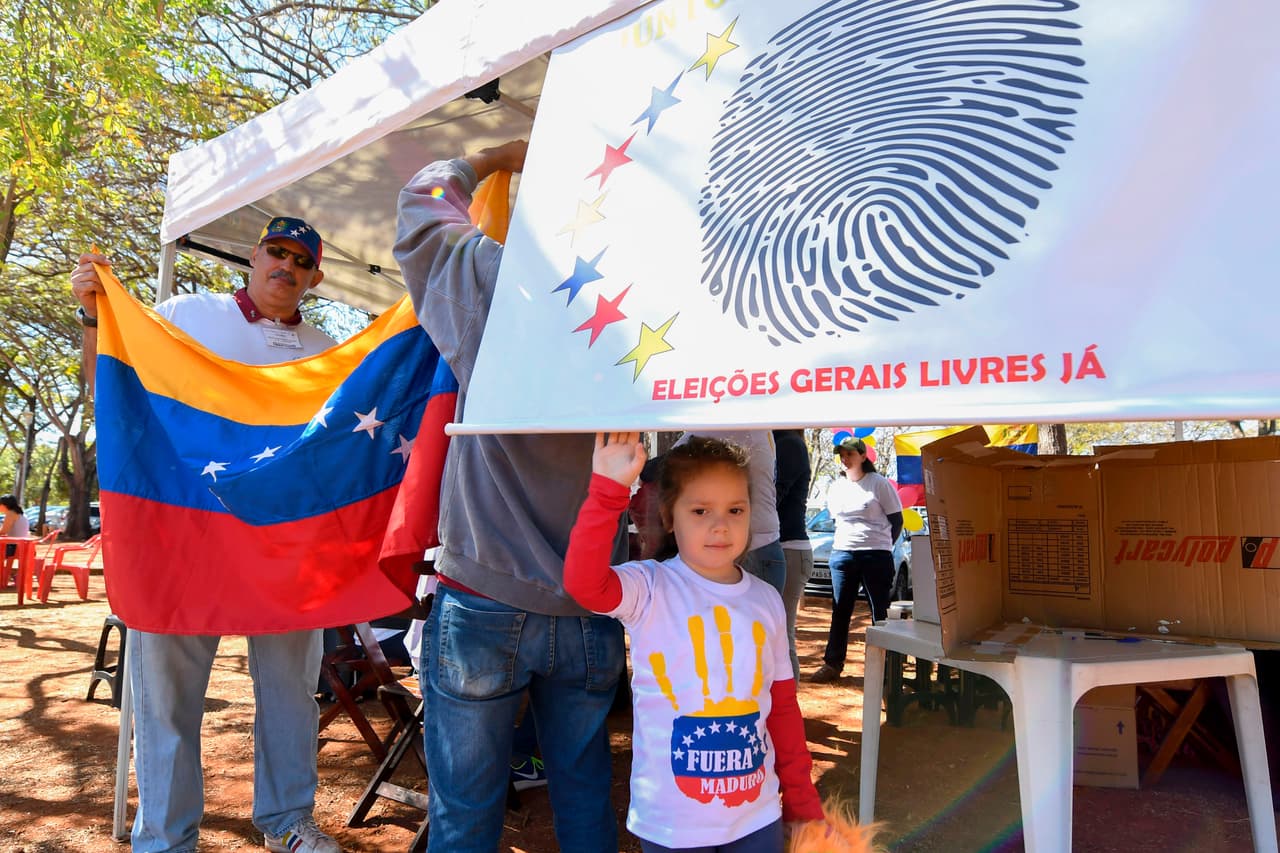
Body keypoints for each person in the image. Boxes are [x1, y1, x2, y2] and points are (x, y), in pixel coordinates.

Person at [70, 218, 342, 853]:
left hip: (282, 546)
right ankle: (165, 838)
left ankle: (287, 822)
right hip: (185, 536)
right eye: (276, 252)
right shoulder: (185, 315)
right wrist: (94, 316)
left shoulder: (329, 349)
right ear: (253, 255)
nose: (285, 266)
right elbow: (105, 386)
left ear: (315, 278)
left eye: (301, 261)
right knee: (165, 695)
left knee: (291, 691)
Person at [393, 141, 627, 852]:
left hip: (482, 597)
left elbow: (421, 209)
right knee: (584, 795)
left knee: (466, 812)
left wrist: (489, 157)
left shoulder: (499, 282)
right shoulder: (643, 319)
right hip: (588, 607)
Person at [564, 433, 824, 851]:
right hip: (672, 826)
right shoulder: (650, 586)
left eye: (735, 510)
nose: (720, 525)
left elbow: (783, 709)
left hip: (757, 819)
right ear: (670, 516)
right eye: (700, 510)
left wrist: (801, 800)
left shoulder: (767, 600)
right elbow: (585, 584)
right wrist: (608, 490)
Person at [809, 437, 903, 684]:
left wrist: (883, 546)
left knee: (879, 612)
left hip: (875, 554)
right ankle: (832, 663)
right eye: (842, 454)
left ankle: (885, 668)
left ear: (863, 456)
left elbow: (897, 520)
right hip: (842, 553)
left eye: (850, 454)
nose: (845, 458)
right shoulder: (837, 486)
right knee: (841, 610)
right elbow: (835, 520)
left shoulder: (879, 484)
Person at [679, 430, 786, 596]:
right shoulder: (763, 428)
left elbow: (662, 467)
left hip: (750, 549)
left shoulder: (725, 423)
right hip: (766, 545)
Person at [772, 429, 814, 679]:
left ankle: (788, 709)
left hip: (789, 549)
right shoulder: (781, 442)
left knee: (781, 633)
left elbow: (774, 495)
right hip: (784, 547)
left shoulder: (789, 444)